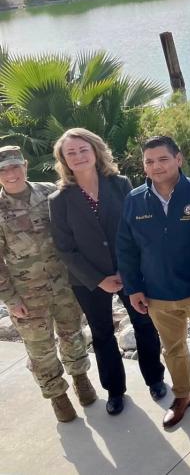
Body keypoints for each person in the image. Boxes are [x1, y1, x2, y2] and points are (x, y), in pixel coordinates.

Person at [115, 135, 190, 429]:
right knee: (172, 348)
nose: (156, 166)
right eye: (149, 161)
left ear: (178, 159)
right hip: (157, 293)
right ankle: (183, 395)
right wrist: (134, 289)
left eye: (163, 159)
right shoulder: (134, 200)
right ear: (143, 166)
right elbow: (125, 247)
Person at [49, 128, 166, 416]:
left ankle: (155, 378)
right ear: (63, 159)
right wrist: (99, 280)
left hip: (129, 272)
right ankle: (114, 390)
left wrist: (129, 271)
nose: (78, 156)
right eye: (70, 153)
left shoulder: (120, 183)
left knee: (144, 323)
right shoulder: (59, 200)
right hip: (88, 280)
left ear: (95, 151)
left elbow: (137, 228)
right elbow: (65, 249)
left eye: (82, 150)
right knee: (102, 335)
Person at [0, 145, 96, 422]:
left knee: (72, 334)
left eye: (15, 166)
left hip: (65, 284)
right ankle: (57, 396)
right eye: (4, 169)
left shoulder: (50, 193)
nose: (11, 173)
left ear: (25, 166)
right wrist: (11, 300)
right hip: (27, 294)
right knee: (39, 348)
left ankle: (80, 378)